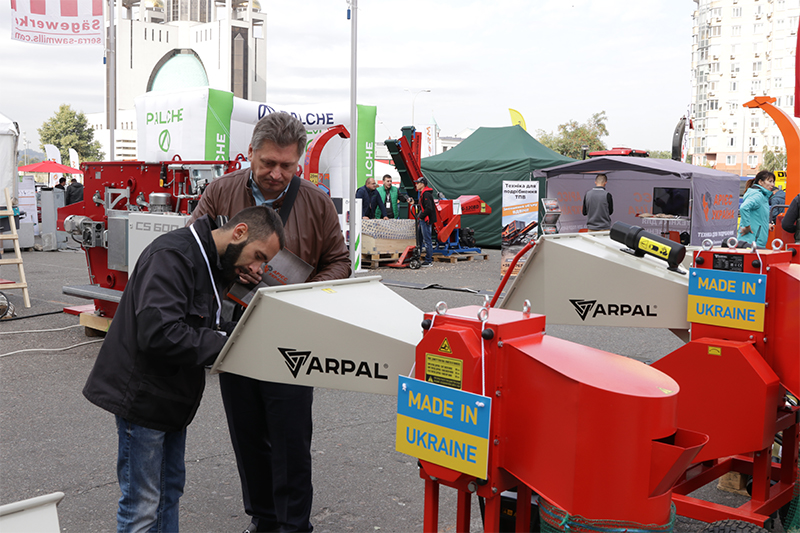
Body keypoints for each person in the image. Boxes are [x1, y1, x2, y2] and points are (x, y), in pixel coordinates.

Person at [186, 111, 351, 533]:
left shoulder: (315, 201)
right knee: (247, 436)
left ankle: (294, 525)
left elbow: (339, 261)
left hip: (291, 335)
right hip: (234, 335)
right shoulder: (220, 193)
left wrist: (302, 291)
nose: (277, 174)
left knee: (291, 439)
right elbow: (193, 251)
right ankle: (262, 518)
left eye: (287, 166)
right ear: (251, 155)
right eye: (268, 164)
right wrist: (229, 270)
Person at [83, 205, 285, 533]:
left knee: (167, 493)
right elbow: (159, 333)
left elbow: (208, 320)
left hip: (171, 400)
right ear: (239, 232)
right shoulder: (173, 256)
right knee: (143, 505)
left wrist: (236, 282)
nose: (258, 267)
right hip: (144, 399)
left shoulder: (214, 265)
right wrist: (233, 344)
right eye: (258, 255)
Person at [738, 170, 775, 248]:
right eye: (770, 181)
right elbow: (744, 207)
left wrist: (766, 225)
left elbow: (756, 216)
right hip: (752, 242)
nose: (773, 184)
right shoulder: (758, 195)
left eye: (773, 182)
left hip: (754, 241)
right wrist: (747, 226)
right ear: (761, 182)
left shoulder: (762, 195)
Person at [411, 177, 437, 266]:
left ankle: (429, 260)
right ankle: (418, 257)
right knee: (420, 239)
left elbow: (428, 208)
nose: (416, 184)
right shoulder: (424, 193)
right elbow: (423, 205)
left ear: (422, 184)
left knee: (427, 240)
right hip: (424, 220)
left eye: (417, 183)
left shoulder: (425, 194)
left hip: (425, 220)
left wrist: (421, 217)